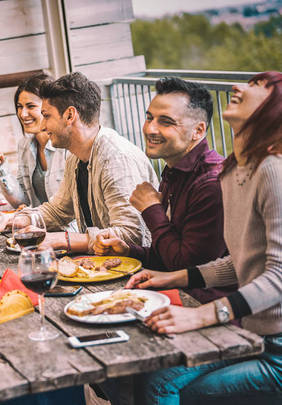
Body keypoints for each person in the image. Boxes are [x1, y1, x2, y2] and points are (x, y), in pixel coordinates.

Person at [118, 71, 282, 404]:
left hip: (275, 347)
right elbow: (241, 262)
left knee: (162, 386)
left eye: (256, 87)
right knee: (146, 374)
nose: (238, 87)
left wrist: (199, 315)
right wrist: (174, 277)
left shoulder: (272, 170)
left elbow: (278, 277)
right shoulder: (235, 169)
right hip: (253, 331)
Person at [0, 72, 159, 253]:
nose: (43, 126)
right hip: (103, 263)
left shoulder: (116, 158)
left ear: (69, 115)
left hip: (142, 270)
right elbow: (57, 211)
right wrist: (10, 220)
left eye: (47, 116)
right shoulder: (76, 157)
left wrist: (61, 240)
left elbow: (132, 235)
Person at [94, 77, 232, 304]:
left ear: (198, 130)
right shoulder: (174, 169)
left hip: (208, 305)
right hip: (177, 293)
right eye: (149, 118)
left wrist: (151, 210)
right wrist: (128, 252)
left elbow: (186, 269)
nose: (150, 129)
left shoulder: (211, 184)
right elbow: (168, 255)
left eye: (165, 122)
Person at [0, 73, 66, 207]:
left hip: (69, 227)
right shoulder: (24, 145)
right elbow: (23, 202)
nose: (22, 114)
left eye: (30, 106)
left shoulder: (66, 147)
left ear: (48, 107)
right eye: (20, 106)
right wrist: (0, 169)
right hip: (39, 225)